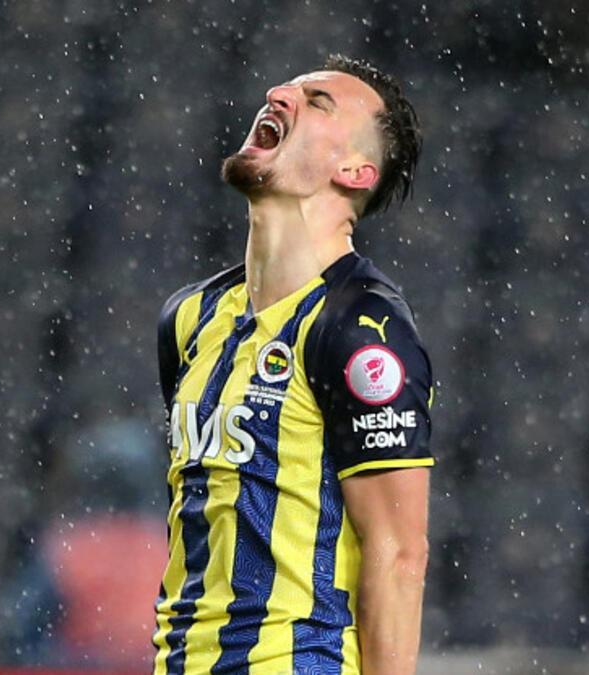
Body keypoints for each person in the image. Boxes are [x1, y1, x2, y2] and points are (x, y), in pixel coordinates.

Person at [153, 54, 434, 674]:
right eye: (291, 88)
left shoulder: (362, 328)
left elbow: (397, 552)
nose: (279, 93)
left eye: (319, 103)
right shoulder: (190, 317)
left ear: (355, 172)